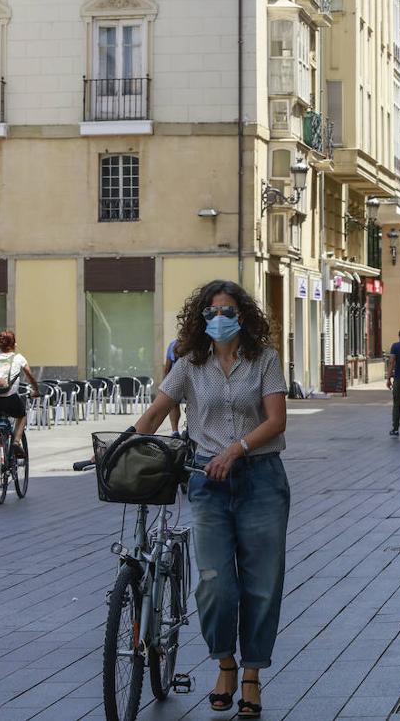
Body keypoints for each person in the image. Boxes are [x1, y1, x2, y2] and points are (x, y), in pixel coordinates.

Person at [130, 279, 289, 718]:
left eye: (228, 312)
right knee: (216, 583)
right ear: (201, 319)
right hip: (207, 481)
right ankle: (225, 664)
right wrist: (122, 445)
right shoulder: (188, 364)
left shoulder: (265, 360)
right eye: (212, 312)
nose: (220, 319)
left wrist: (236, 449)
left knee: (261, 584)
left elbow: (276, 421)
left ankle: (252, 675)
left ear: (244, 317)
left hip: (261, 478)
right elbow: (157, 412)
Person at [0, 330, 40, 457]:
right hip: (9, 399)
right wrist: (36, 390)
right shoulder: (18, 358)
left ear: (0, 345)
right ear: (14, 344)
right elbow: (30, 376)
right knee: (22, 415)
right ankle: (16, 442)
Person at [163, 338, 183, 437]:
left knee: (174, 405)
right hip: (177, 379)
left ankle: (175, 431)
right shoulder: (173, 344)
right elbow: (167, 367)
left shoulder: (173, 344)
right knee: (175, 405)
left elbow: (167, 367)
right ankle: (176, 431)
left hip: (177, 379)